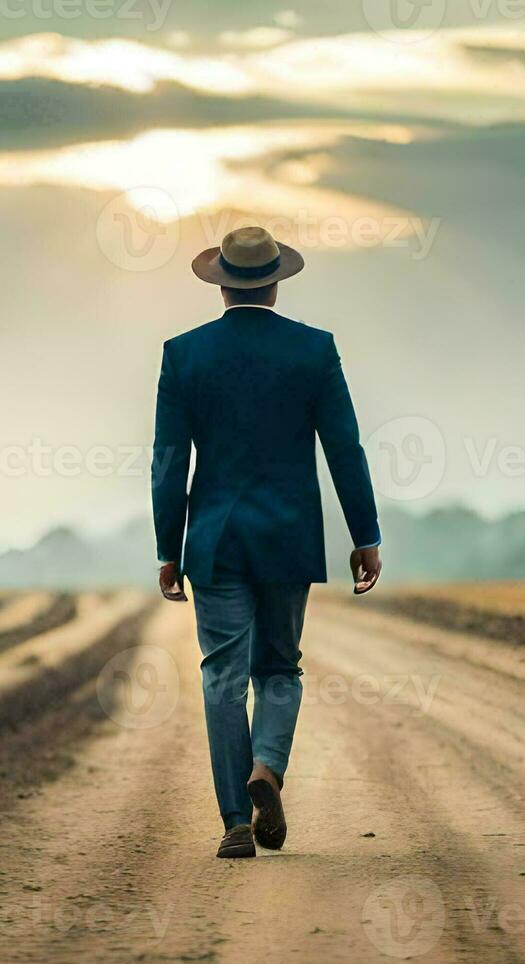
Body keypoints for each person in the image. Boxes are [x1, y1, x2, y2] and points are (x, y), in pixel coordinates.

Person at [151, 226, 383, 859]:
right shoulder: (314, 351)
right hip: (289, 535)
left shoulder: (184, 354)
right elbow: (345, 448)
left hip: (215, 538)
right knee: (279, 666)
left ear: (221, 284)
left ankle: (234, 821)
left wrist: (167, 547)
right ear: (277, 283)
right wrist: (365, 534)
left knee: (222, 675)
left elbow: (168, 460)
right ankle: (269, 767)